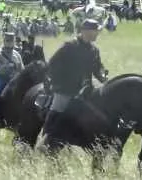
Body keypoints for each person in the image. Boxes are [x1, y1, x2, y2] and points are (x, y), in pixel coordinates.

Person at [41, 19, 108, 149]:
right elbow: (52, 64)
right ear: (85, 31)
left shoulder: (94, 50)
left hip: (87, 89)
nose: (97, 34)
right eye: (95, 31)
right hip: (66, 89)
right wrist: (59, 82)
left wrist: (104, 78)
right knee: (58, 109)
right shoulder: (69, 46)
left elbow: (98, 69)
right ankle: (47, 137)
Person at [0, 32, 24, 125]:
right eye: (8, 40)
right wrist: (7, 67)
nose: (10, 42)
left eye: (11, 41)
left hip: (15, 79)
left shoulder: (17, 54)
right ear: (4, 41)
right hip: (2, 78)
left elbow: (22, 68)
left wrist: (20, 72)